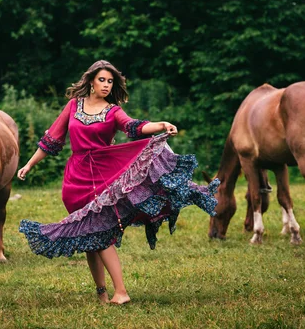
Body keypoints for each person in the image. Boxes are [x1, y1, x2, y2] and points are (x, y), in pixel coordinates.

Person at [17, 60, 219, 305]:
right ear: (91, 81)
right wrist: (29, 164)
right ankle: (102, 294)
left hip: (103, 176)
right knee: (87, 235)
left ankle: (121, 292)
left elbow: (133, 127)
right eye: (102, 80)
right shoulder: (73, 106)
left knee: (100, 233)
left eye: (110, 81)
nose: (106, 85)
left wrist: (162, 125)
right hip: (74, 180)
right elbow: (52, 139)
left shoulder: (113, 110)